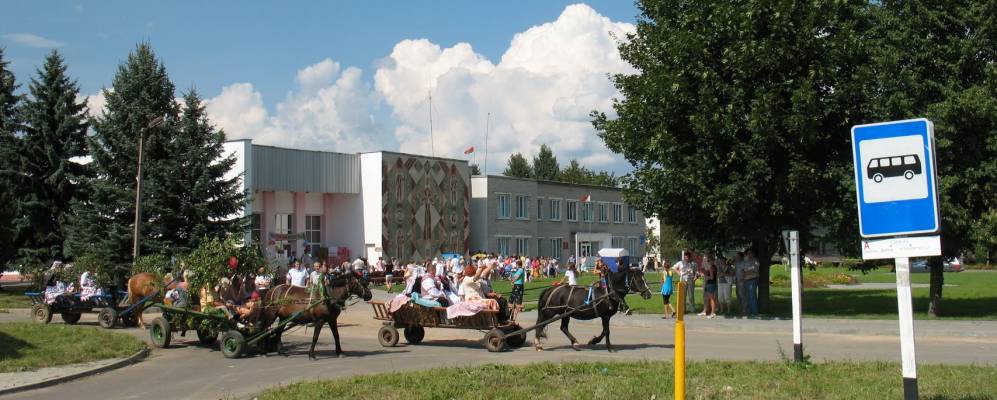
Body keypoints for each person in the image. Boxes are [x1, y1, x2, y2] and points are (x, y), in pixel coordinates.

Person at [743, 250, 760, 317]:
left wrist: (747, 272)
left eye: (750, 253)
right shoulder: (746, 261)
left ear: (753, 254)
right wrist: (748, 271)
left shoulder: (755, 261)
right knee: (748, 296)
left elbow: (754, 271)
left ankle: (754, 312)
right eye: (748, 253)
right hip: (746, 280)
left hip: (752, 280)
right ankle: (749, 311)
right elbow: (744, 270)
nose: (749, 255)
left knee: (752, 296)